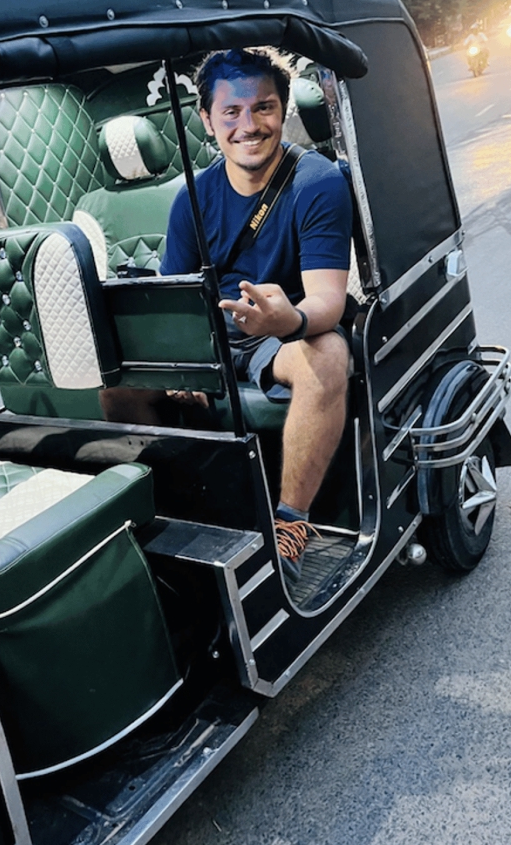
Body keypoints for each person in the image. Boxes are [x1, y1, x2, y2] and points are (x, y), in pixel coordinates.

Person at [105, 48, 353, 584]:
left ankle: (290, 525)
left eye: (262, 108)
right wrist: (188, 363)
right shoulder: (193, 197)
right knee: (120, 386)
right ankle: (173, 513)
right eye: (231, 112)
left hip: (280, 338)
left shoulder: (316, 182)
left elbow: (327, 301)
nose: (248, 125)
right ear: (208, 121)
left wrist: (285, 320)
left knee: (329, 355)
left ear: (282, 111)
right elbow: (178, 297)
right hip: (216, 337)